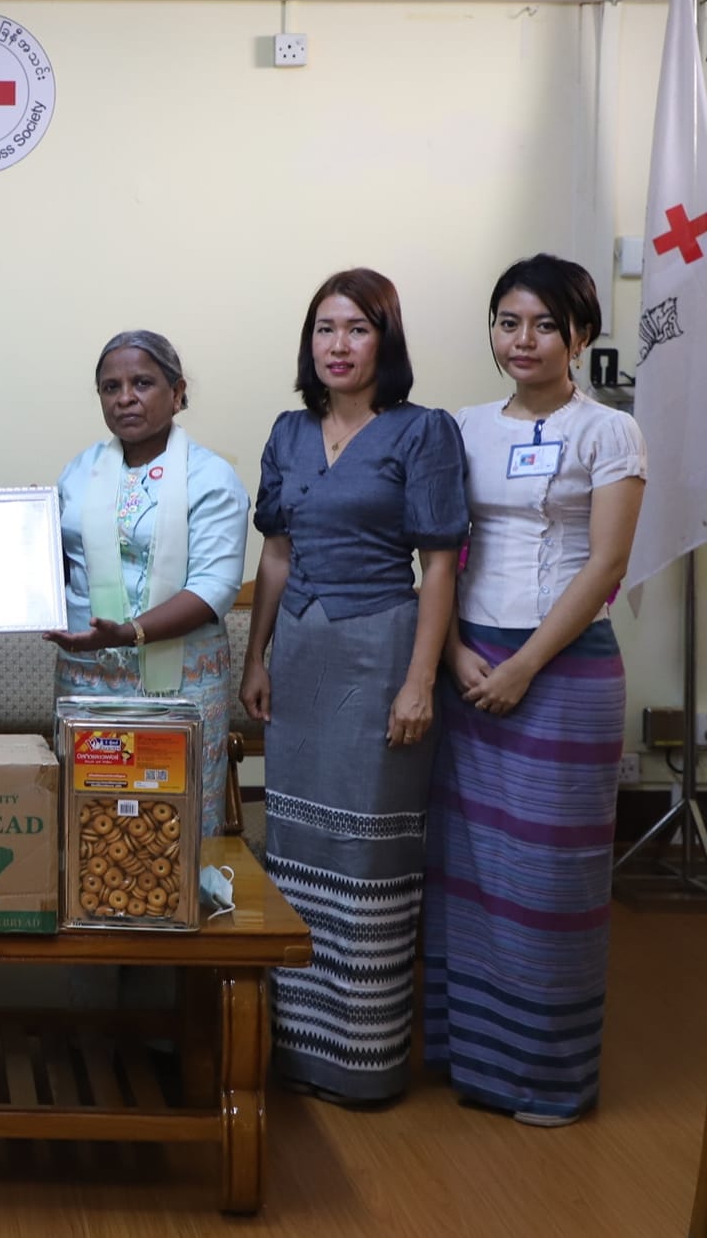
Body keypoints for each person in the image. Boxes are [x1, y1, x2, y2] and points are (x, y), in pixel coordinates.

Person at [424, 255, 646, 1127]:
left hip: (565, 669)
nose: (524, 340)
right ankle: (473, 1060)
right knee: (472, 868)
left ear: (580, 336)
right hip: (470, 661)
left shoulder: (609, 432)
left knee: (551, 877)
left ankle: (547, 1078)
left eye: (545, 325)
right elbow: (441, 551)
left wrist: (525, 665)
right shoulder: (462, 427)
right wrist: (451, 652)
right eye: (508, 322)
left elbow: (608, 562)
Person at [239, 267, 467, 1107]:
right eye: (325, 329)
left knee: (368, 850)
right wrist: (257, 656)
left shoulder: (423, 431)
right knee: (295, 843)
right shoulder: (289, 431)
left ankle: (361, 1060)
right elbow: (276, 554)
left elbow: (439, 565)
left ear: (386, 341)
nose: (338, 345)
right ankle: (295, 1050)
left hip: (382, 650)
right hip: (300, 651)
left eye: (357, 329)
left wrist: (420, 681)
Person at [48, 331, 250, 837]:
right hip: (89, 681)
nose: (125, 398)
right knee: (92, 826)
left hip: (180, 685)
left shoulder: (211, 477)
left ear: (177, 393)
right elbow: (54, 561)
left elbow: (215, 588)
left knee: (170, 827)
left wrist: (129, 633)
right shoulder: (79, 472)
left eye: (142, 383)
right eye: (110, 387)